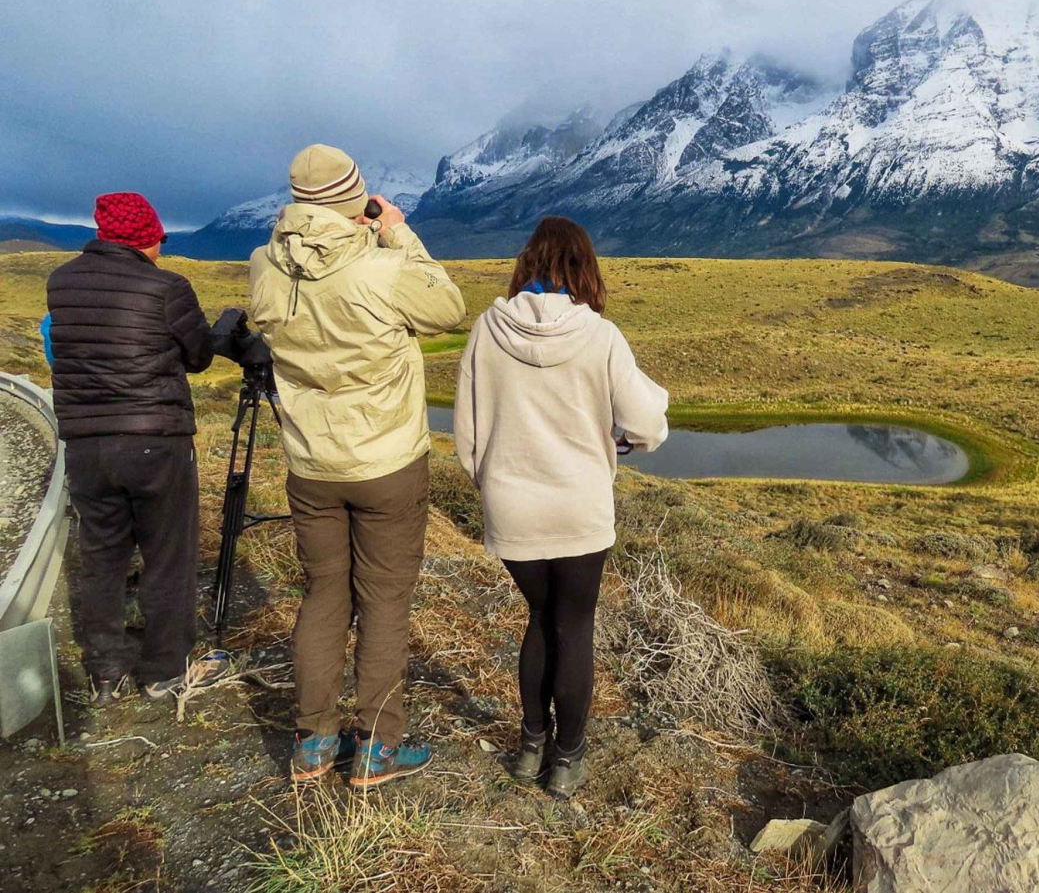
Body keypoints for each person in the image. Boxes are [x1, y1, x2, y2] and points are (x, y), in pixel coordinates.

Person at [248, 144, 466, 787]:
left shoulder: (264, 264)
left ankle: (313, 741)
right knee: (384, 601)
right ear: (356, 200)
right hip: (386, 462)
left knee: (323, 594)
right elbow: (448, 307)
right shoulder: (381, 269)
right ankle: (376, 747)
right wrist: (397, 232)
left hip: (311, 463)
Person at [454, 215, 668, 799]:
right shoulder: (601, 335)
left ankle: (531, 748)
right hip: (580, 508)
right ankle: (567, 760)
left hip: (512, 507)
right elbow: (646, 424)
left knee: (539, 618)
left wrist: (495, 485)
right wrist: (628, 439)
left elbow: (468, 439)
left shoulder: (486, 330)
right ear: (584, 268)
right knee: (573, 625)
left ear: (527, 262)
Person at [46, 192, 230, 704]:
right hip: (155, 440)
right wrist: (220, 330)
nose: (161, 248)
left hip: (86, 444)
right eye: (158, 239)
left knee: (101, 555)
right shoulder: (166, 287)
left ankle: (105, 672)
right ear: (145, 238)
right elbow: (198, 356)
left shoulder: (61, 282)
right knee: (167, 555)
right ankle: (163, 670)